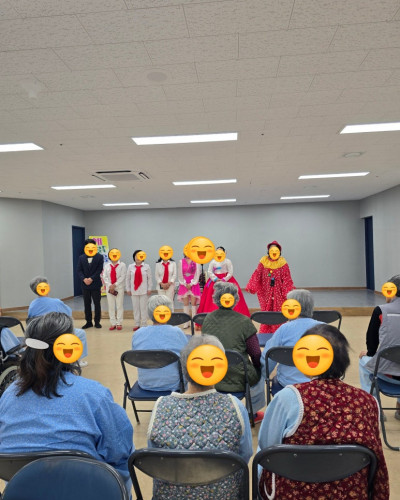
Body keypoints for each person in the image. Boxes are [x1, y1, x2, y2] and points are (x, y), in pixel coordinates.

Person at [0, 312, 134, 490]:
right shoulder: (94, 395)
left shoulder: (8, 396)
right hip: (82, 490)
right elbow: (119, 450)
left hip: (23, 492)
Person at [258, 324, 389, 500]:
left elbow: (267, 445)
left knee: (262, 456)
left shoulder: (288, 397)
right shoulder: (368, 401)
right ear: (344, 359)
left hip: (293, 492)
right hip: (350, 492)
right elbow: (375, 458)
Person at [148, 334, 253, 500]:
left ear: (185, 368)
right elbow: (244, 455)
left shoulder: (161, 406)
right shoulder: (235, 407)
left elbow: (155, 456)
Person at [202, 281, 265, 423]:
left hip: (213, 376)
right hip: (240, 377)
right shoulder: (244, 321)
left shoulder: (207, 319)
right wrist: (257, 367)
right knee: (261, 369)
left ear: (216, 298)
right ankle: (252, 414)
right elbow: (255, 352)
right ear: (235, 299)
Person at [261, 289, 323, 394]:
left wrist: (263, 376)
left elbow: (268, 357)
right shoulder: (325, 328)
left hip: (287, 384)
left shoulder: (284, 329)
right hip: (318, 384)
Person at [359, 274, 400, 419]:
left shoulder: (380, 310)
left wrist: (370, 352)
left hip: (387, 373)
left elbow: (371, 342)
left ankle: (375, 409)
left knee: (364, 361)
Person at [27, 276, 88, 367]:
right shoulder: (56, 302)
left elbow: (30, 320)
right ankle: (76, 361)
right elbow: (68, 315)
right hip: (56, 333)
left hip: (38, 334)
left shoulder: (32, 304)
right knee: (81, 333)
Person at [131, 295, 188, 392]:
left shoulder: (138, 334)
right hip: (174, 383)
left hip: (146, 383)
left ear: (149, 313)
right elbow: (187, 356)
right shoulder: (177, 332)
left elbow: (136, 356)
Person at [246, 240, 294, 333]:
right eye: (272, 251)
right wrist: (252, 286)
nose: (274, 253)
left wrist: (287, 291)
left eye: (276, 251)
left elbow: (287, 278)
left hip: (279, 291)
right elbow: (257, 274)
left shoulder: (283, 262)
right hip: (265, 291)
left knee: (279, 310)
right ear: (268, 251)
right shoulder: (263, 261)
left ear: (279, 252)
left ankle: (280, 331)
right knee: (266, 310)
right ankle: (266, 332)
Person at [197, 246, 250, 320]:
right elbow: (209, 271)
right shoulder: (213, 261)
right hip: (215, 280)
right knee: (212, 296)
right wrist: (215, 279)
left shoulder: (227, 261)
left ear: (224, 253)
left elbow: (230, 272)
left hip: (226, 279)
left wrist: (224, 279)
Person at [77, 238, 104, 329]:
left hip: (95, 284)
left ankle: (97, 322)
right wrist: (84, 279)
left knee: (97, 303)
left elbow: (99, 269)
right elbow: (79, 270)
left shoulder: (99, 257)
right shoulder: (81, 257)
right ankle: (88, 322)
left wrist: (91, 278)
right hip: (85, 285)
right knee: (87, 304)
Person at [126, 250, 152, 332]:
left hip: (144, 290)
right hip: (134, 290)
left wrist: (149, 288)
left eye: (140, 256)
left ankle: (144, 324)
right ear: (134, 257)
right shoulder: (130, 267)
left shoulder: (147, 266)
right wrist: (128, 289)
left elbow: (149, 278)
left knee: (143, 308)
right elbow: (127, 279)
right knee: (136, 308)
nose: (137, 258)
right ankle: (137, 324)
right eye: (136, 256)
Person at [103, 248, 127, 331]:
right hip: (109, 289)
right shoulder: (107, 265)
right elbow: (104, 276)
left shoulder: (122, 265)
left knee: (119, 305)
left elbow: (123, 276)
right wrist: (110, 285)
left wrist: (115, 285)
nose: (114, 255)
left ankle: (119, 323)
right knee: (111, 306)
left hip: (119, 288)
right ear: (109, 255)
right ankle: (113, 323)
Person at [177, 254, 201, 328]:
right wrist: (184, 284)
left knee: (193, 303)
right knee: (186, 303)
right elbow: (180, 274)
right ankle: (186, 322)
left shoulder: (196, 262)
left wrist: (191, 283)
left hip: (194, 284)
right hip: (184, 284)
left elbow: (197, 274)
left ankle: (194, 321)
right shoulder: (181, 262)